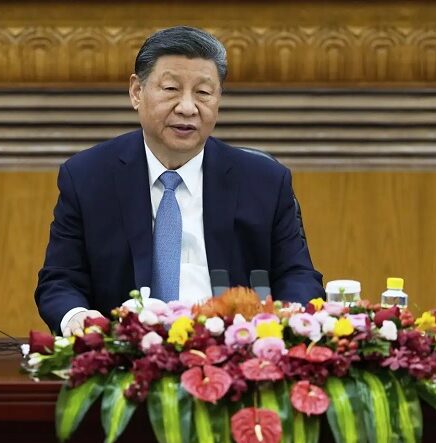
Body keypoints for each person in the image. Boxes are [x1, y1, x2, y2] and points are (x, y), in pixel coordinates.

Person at [35, 26, 324, 336]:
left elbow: (298, 276)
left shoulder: (264, 181)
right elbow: (60, 280)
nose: (187, 107)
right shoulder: (88, 176)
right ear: (137, 92)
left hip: (235, 349)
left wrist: (285, 324)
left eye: (203, 93)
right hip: (126, 351)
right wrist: (78, 317)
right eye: (171, 88)